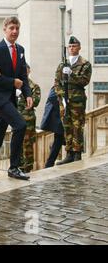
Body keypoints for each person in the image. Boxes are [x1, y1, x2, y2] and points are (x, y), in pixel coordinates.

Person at [0, 16, 32, 183]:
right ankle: (14, 167)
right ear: (5, 29)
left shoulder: (21, 50)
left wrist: (28, 94)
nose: (14, 31)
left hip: (9, 97)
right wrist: (11, 82)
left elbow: (22, 75)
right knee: (20, 124)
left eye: (17, 28)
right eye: (11, 28)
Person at [55, 36, 92, 165]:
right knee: (67, 126)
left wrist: (72, 73)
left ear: (79, 47)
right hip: (64, 102)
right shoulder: (62, 64)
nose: (72, 48)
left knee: (77, 126)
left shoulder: (85, 64)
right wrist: (61, 97)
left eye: (74, 46)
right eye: (70, 46)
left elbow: (84, 81)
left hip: (77, 100)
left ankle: (77, 153)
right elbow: (57, 82)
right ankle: (69, 153)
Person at [18, 64, 41, 173]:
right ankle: (17, 165)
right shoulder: (15, 85)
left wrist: (22, 95)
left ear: (29, 71)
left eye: (26, 70)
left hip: (28, 119)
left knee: (27, 144)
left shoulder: (34, 86)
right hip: (16, 119)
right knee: (17, 143)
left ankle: (27, 167)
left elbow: (34, 102)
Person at [41, 87, 65, 168]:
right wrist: (63, 106)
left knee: (60, 140)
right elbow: (52, 98)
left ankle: (49, 163)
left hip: (62, 118)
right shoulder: (57, 86)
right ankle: (49, 163)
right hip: (57, 117)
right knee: (59, 139)